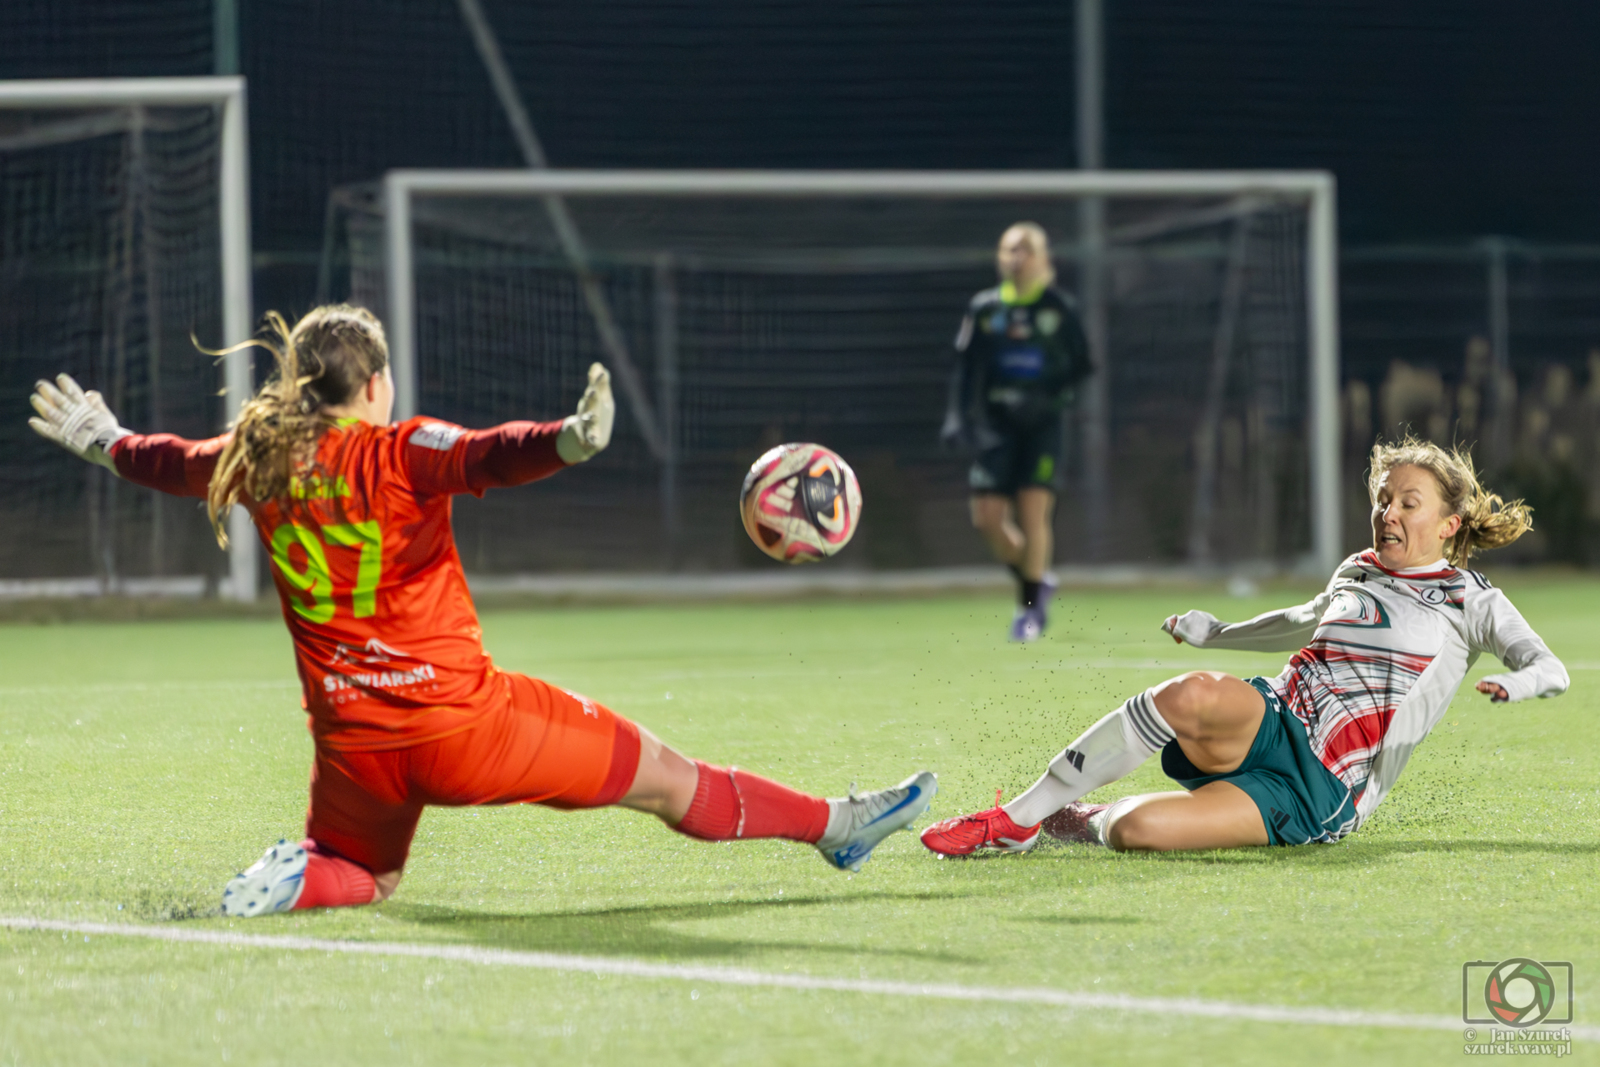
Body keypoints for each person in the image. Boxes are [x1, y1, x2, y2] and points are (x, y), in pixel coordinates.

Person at [29, 305, 936, 916]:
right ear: (375, 382)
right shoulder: (398, 449)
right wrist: (573, 442)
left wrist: (100, 438)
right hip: (468, 726)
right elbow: (493, 454)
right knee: (666, 775)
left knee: (370, 875)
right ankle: (836, 828)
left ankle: (305, 876)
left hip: (354, 744)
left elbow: (164, 457)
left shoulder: (255, 452)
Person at [920, 437, 1567, 855]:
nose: (1388, 512)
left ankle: (1078, 816)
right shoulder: (1359, 566)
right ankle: (1015, 819)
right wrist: (1220, 632)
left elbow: (1550, 666)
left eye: (1408, 502)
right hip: (1276, 716)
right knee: (1194, 690)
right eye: (1383, 498)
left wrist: (1519, 682)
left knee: (1132, 831)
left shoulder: (1469, 598)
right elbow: (1302, 621)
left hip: (1322, 788)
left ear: (1449, 525)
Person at [941, 223, 1093, 643]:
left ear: (1043, 259)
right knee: (987, 518)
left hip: (1042, 425)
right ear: (999, 257)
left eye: (1025, 249)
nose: (1016, 256)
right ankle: (1038, 578)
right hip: (997, 425)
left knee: (1032, 511)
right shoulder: (985, 309)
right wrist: (958, 417)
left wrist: (1048, 398)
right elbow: (967, 367)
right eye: (1009, 249)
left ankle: (1028, 610)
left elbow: (1082, 366)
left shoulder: (1059, 308)